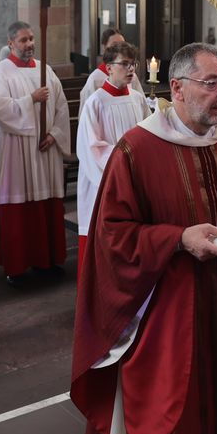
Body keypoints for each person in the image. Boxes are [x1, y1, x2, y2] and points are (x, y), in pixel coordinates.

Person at [71, 42, 217, 434]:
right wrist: (178, 239)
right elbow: (112, 235)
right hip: (168, 317)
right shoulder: (137, 150)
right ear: (177, 89)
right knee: (177, 420)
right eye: (211, 83)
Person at [0, 21, 70, 285]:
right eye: (23, 40)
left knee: (45, 206)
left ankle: (45, 261)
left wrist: (53, 134)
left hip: (44, 149)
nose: (30, 44)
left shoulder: (45, 70)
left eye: (32, 39)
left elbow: (62, 106)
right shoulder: (0, 72)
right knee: (18, 208)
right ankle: (17, 265)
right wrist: (30, 100)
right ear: (11, 43)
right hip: (16, 151)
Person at [75, 41, 150, 276]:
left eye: (133, 64)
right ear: (108, 68)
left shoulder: (138, 99)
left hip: (135, 178)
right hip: (104, 179)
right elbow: (91, 148)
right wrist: (124, 164)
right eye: (124, 64)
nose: (131, 70)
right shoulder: (95, 102)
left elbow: (149, 136)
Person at [79, 28, 144, 108]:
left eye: (123, 44)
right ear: (104, 47)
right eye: (115, 45)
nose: (120, 48)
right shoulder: (94, 79)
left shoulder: (132, 77)